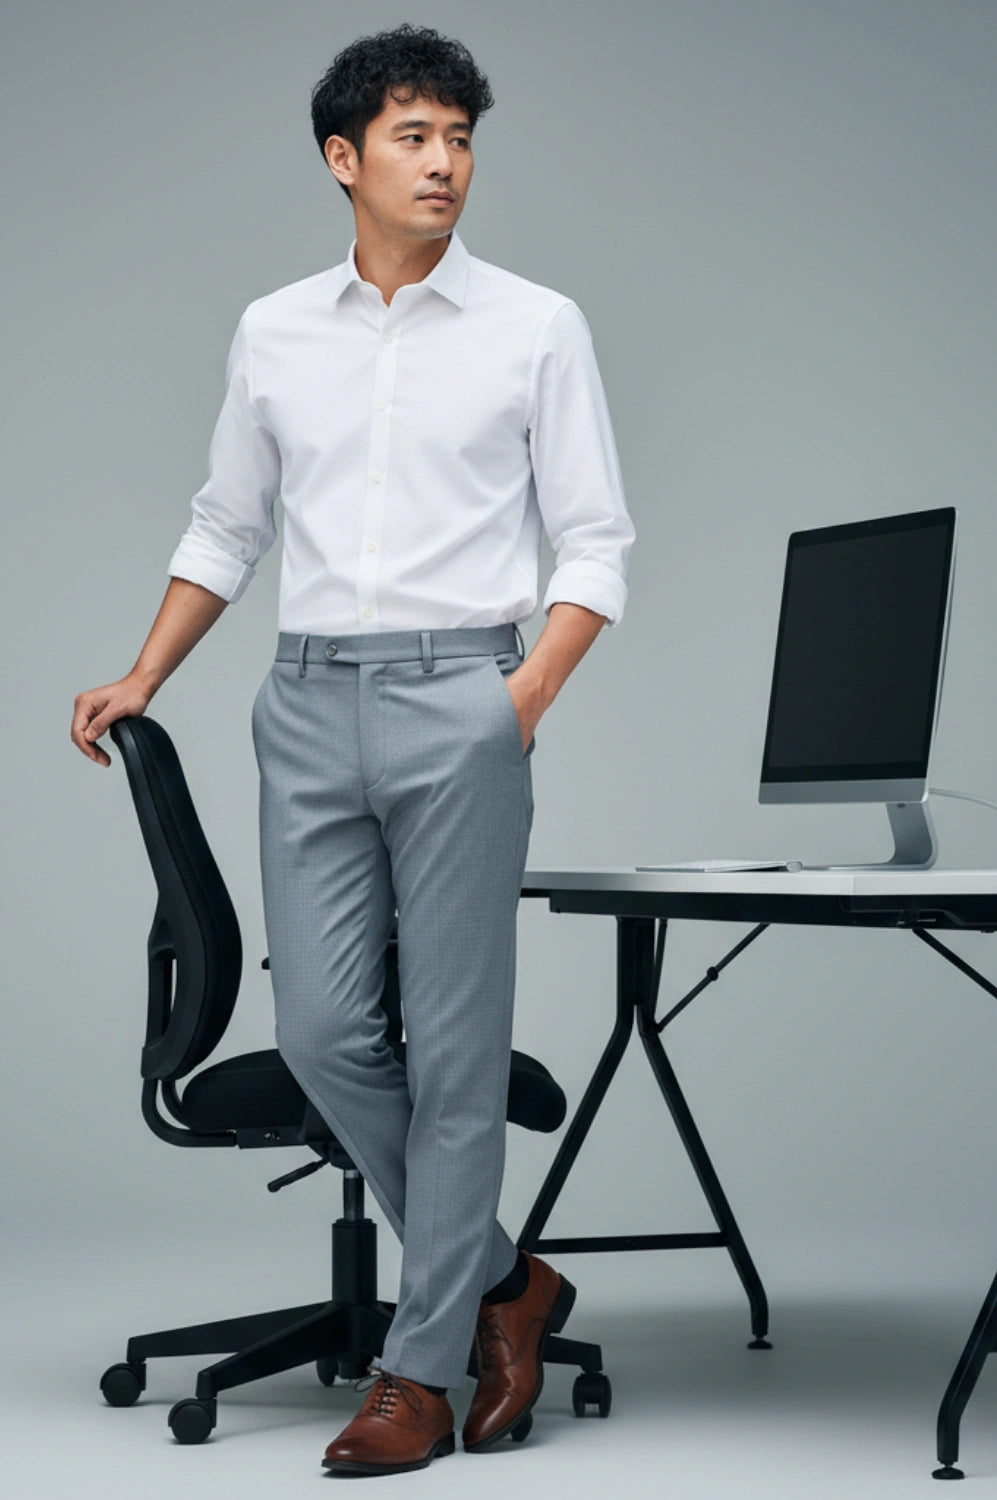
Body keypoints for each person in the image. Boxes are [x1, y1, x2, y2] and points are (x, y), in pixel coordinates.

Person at [71, 22, 635, 1479]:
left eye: (461, 139)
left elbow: (595, 544)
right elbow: (228, 524)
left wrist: (519, 702)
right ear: (344, 158)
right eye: (413, 138)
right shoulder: (276, 331)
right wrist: (145, 670)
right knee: (327, 1038)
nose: (445, 163)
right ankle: (505, 1280)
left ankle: (418, 1375)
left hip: (463, 697)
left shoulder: (536, 325)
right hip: (307, 704)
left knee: (452, 1054)